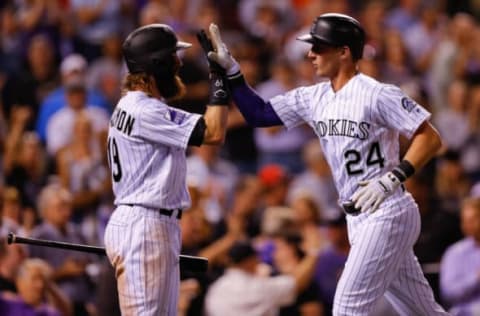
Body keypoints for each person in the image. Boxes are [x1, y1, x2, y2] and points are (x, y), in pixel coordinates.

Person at [206, 13, 448, 315]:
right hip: (357, 218)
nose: (310, 54)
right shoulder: (315, 96)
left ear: (344, 51)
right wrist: (232, 72)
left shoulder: (377, 93)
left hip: (387, 210)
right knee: (422, 311)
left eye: (319, 47)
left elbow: (430, 137)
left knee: (347, 308)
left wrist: (393, 178)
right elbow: (259, 115)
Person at [103, 24, 230, 316]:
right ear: (156, 64)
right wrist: (219, 75)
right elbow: (213, 132)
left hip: (146, 222)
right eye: (174, 57)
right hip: (145, 226)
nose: (179, 63)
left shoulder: (136, 105)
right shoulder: (145, 110)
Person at [440, 197, 480, 315]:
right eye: (465, 221)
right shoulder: (454, 252)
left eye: (473, 219)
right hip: (466, 312)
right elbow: (448, 293)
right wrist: (476, 278)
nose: (468, 225)